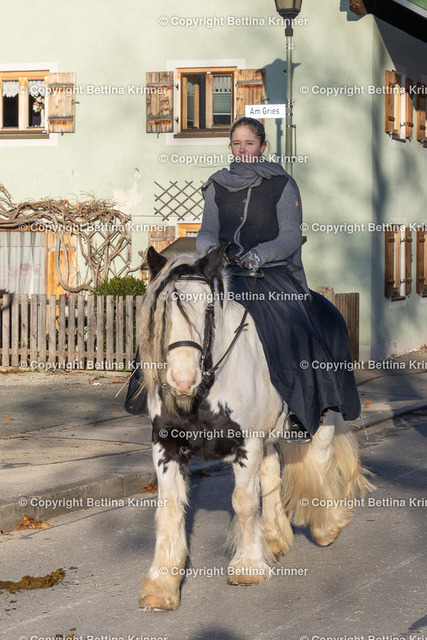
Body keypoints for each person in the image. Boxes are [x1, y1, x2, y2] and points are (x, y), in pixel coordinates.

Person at [196, 117, 360, 442]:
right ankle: (153, 391)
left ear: (263, 147)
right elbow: (206, 232)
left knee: (290, 323)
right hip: (225, 269)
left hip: (271, 270)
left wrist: (260, 254)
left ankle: (302, 408)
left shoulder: (282, 184)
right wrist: (212, 251)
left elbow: (290, 237)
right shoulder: (216, 184)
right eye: (236, 143)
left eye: (249, 143)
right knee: (179, 303)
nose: (242, 149)